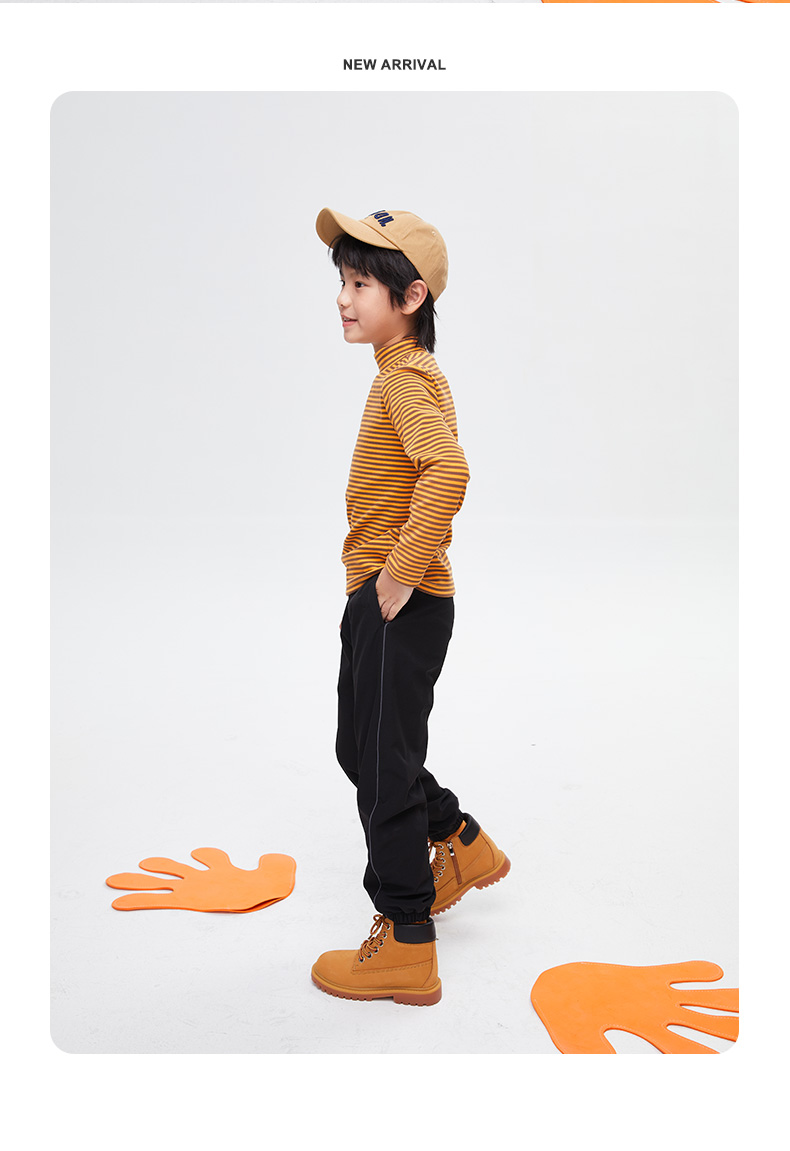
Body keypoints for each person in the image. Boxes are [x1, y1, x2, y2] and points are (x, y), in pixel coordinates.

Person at [310, 208, 510, 1006]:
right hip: (384, 596)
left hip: (401, 598)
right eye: (343, 281)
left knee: (382, 770)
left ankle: (405, 938)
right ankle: (458, 838)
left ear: (412, 295)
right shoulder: (402, 373)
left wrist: (398, 573)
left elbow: (448, 471)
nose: (344, 297)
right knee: (361, 750)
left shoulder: (405, 380)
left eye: (361, 283)